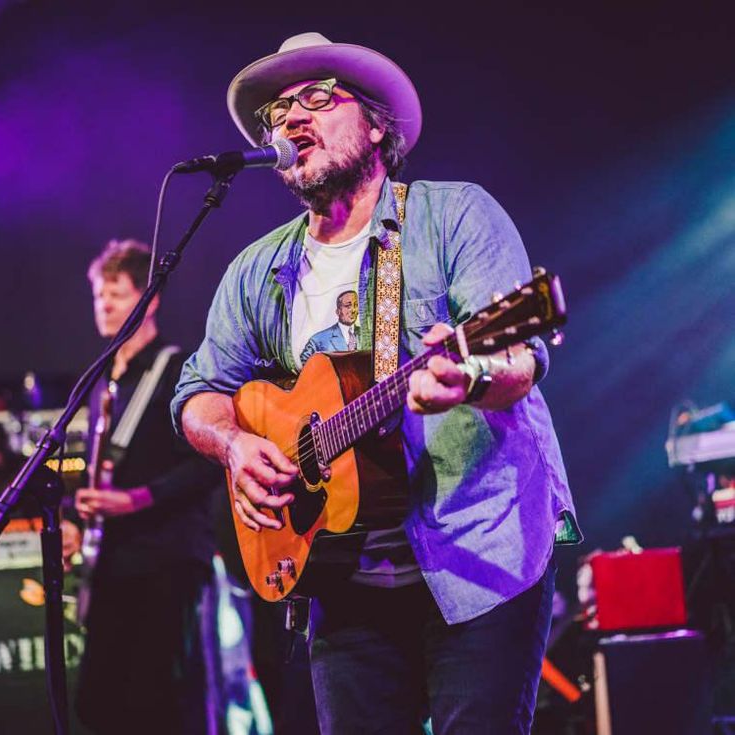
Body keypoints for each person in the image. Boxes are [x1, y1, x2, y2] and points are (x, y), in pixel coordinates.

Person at [171, 32, 581, 734]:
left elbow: (520, 357)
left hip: (476, 553)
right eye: (277, 111)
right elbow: (199, 391)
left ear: (378, 123)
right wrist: (235, 444)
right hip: (341, 579)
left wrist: (470, 376)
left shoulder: (453, 215)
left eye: (318, 97)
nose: (292, 118)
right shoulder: (256, 271)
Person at [62, 238, 221, 735]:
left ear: (149, 300)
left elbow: (207, 466)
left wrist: (136, 500)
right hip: (112, 561)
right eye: (98, 295)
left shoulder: (178, 369)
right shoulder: (102, 380)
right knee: (96, 704)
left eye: (116, 293)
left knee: (157, 703)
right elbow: (93, 469)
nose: (103, 305)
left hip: (166, 559)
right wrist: (72, 518)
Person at [299, 289, 359, 365]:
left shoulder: (368, 336)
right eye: (348, 306)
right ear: (338, 311)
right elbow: (304, 366)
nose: (353, 310)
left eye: (356, 305)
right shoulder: (317, 340)